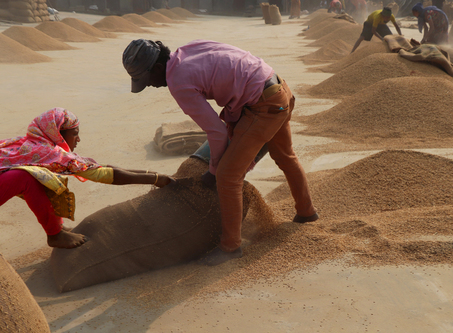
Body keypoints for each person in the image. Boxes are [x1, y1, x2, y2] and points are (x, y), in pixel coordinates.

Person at [122, 39, 318, 266]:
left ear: (157, 69)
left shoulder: (178, 82)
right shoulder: (189, 50)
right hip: (279, 89)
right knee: (286, 156)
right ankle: (307, 212)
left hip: (262, 106)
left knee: (227, 176)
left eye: (148, 81)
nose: (151, 86)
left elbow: (216, 132)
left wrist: (214, 170)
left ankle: (230, 247)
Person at [0, 108, 172, 249]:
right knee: (25, 178)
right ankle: (55, 235)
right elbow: (100, 174)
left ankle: (56, 228)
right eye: (74, 134)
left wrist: (153, 174)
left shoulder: (29, 144)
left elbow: (98, 168)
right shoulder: (47, 153)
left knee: (37, 177)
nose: (78, 139)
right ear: (58, 134)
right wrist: (156, 180)